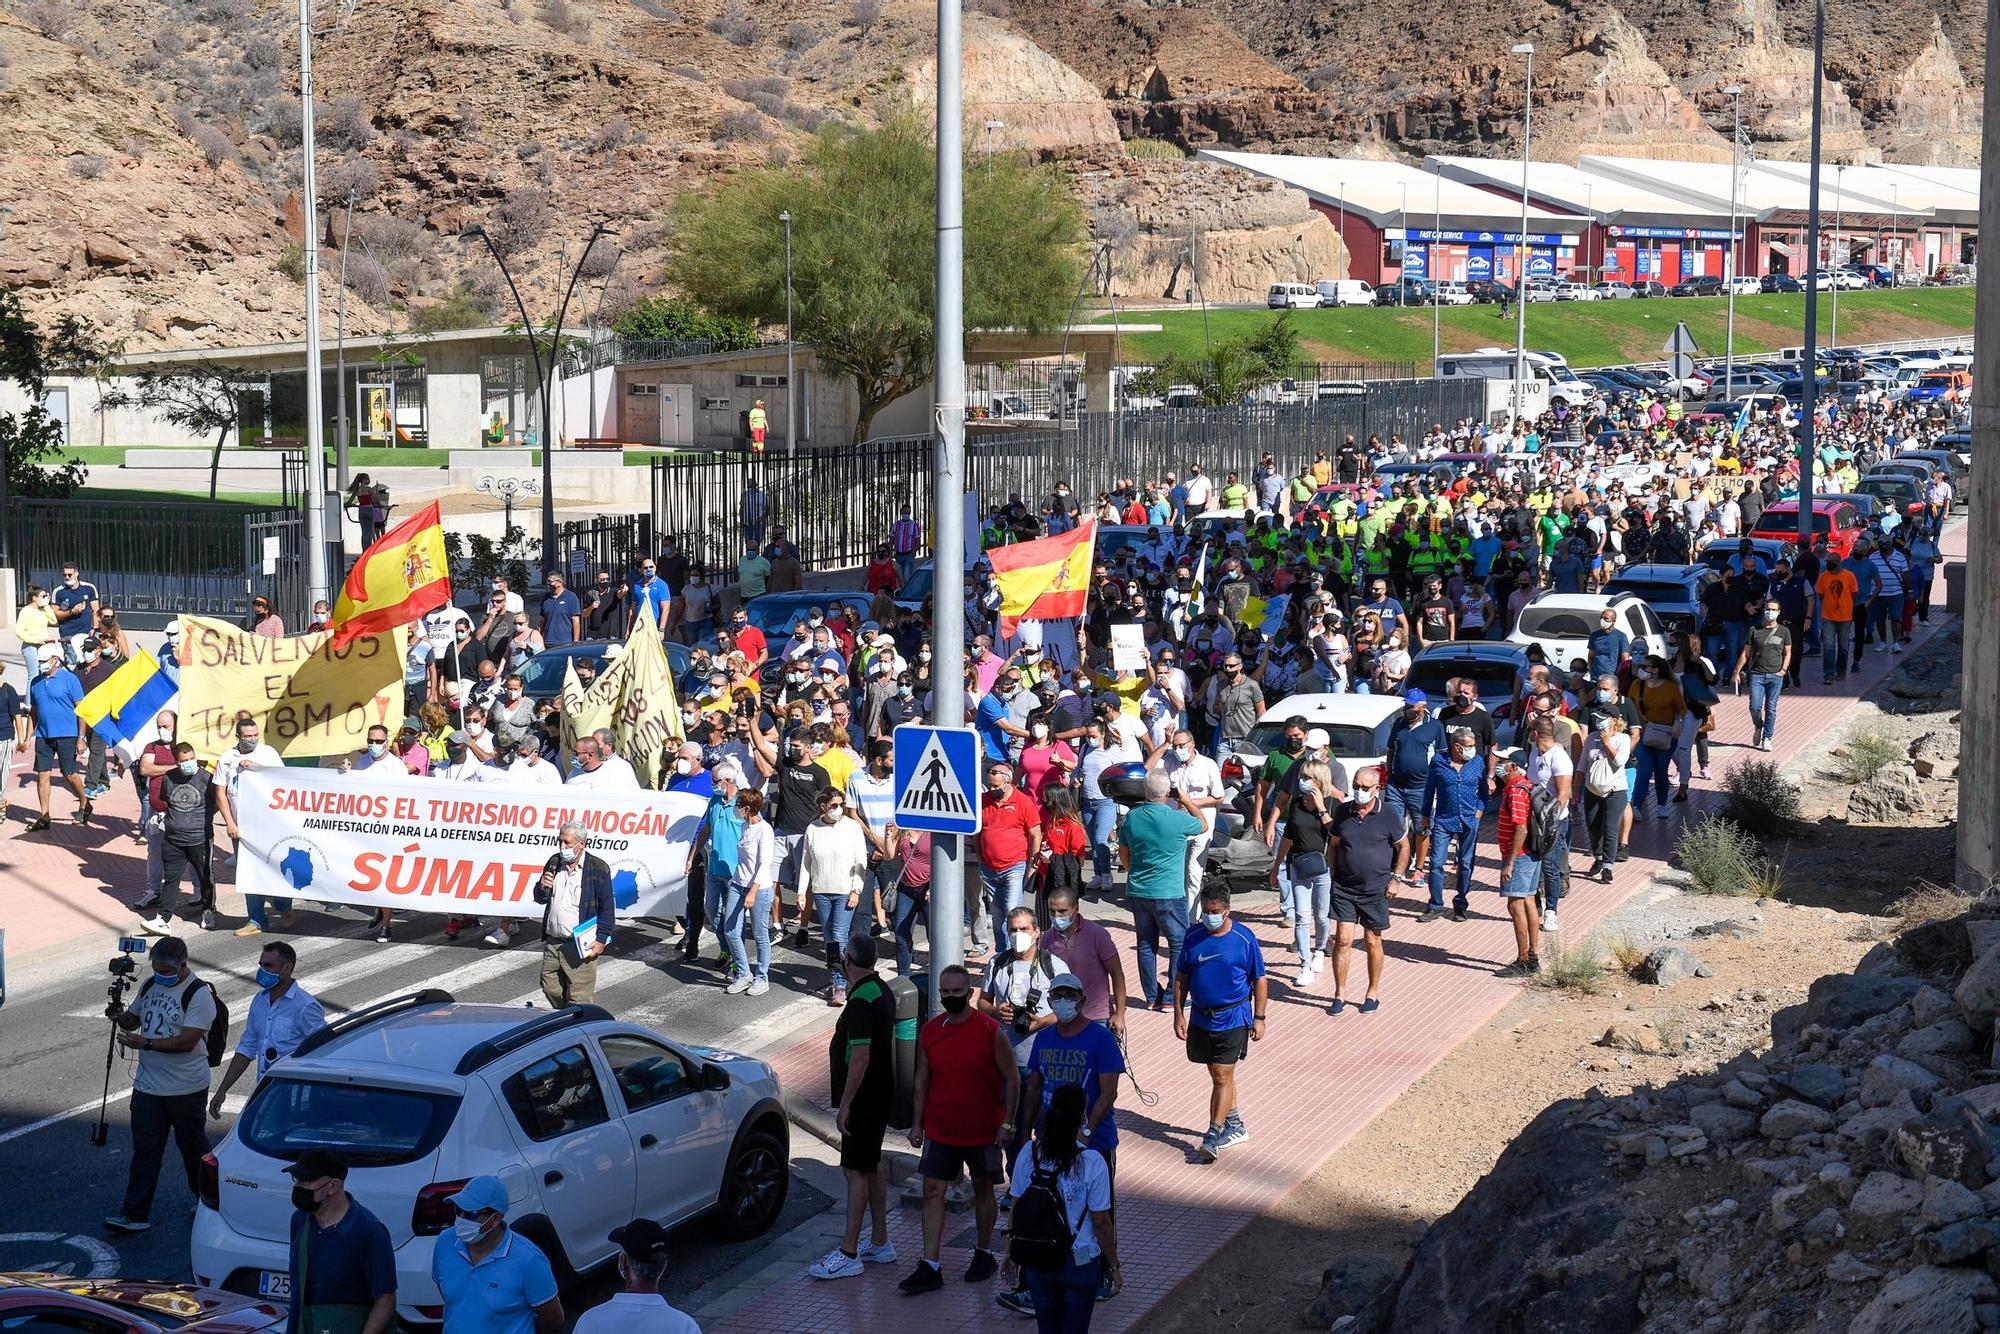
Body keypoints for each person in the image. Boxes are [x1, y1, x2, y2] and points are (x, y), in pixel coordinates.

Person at [1006, 970, 1124, 1317]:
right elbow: (1034, 1086)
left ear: (1082, 1001)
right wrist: (1024, 1129)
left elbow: (1108, 1092)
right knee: (1039, 1206)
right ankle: (1034, 1277)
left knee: (1098, 1210)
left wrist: (1086, 1134)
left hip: (1093, 1142)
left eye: (1069, 996)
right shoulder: (1044, 1039)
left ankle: (1100, 1272)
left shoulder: (1100, 1040)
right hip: (1047, 1142)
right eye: (1056, 995)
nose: (1062, 1002)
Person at [902, 962, 1021, 1295]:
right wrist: (917, 1123)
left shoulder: (989, 1030)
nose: (951, 997)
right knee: (931, 1191)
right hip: (941, 1129)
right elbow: (922, 1079)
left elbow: (1012, 1077)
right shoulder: (931, 1030)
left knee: (984, 1191)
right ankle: (931, 1263)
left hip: (982, 1130)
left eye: (957, 992)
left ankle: (983, 1253)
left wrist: (1008, 1122)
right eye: (946, 992)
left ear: (969, 993)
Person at [104, 935, 215, 1234]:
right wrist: (119, 1015)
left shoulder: (198, 994)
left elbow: (187, 1041)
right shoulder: (150, 985)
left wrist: (147, 1044)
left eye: (167, 970)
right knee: (145, 1150)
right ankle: (135, 1213)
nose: (161, 975)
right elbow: (133, 1020)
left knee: (192, 1147)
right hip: (148, 1088)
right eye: (157, 968)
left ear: (183, 965)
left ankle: (207, 1200)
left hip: (186, 1088)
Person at [808, 936, 900, 1282]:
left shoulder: (861, 1000)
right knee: (871, 1164)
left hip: (864, 1098)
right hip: (877, 1094)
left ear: (847, 960)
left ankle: (849, 1252)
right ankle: (880, 1241)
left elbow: (859, 1058)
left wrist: (845, 1105)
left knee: (854, 1171)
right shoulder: (878, 989)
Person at [1004, 1083, 1121, 1331]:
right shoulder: (1092, 1161)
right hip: (1078, 1263)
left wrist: (1010, 1254)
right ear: (1082, 1119)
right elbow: (1101, 1222)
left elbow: (1016, 1208)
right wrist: (1113, 1266)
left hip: (1037, 1259)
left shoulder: (1029, 1153)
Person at [1175, 886, 1267, 1163]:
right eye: (1206, 911)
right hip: (1201, 1017)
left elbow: (1260, 979)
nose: (1210, 917)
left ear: (1228, 909)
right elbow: (1182, 977)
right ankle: (1235, 1125)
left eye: (1215, 912)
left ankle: (1213, 1136)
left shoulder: (1244, 939)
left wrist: (1259, 1017)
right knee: (1216, 1072)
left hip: (1234, 1017)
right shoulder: (1193, 936)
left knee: (1222, 1076)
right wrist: (1178, 1014)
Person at [280, 1149, 398, 1334]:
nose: (299, 1187)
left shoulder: (369, 1232)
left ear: (333, 1186)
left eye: (307, 1181)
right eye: (296, 1180)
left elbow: (386, 1300)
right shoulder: (300, 1221)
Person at [208, 939, 325, 1121]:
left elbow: (322, 1050)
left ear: (287, 968)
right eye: (261, 965)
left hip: (295, 1099)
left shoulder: (305, 1006)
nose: (262, 970)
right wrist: (223, 1089)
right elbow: (247, 1047)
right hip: (265, 1092)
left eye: (268, 965)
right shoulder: (259, 1001)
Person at [430, 1175, 564, 1333]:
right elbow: (450, 1296)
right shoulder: (445, 1243)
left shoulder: (529, 1260)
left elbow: (553, 1319)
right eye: (458, 1210)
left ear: (496, 1218)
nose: (461, 1219)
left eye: (471, 1214)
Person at [981, 905, 1060, 1173]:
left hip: (1043, 1063)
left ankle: (1046, 1181)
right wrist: (995, 1011)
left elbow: (1070, 1010)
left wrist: (1041, 1022)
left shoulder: (1054, 966)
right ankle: (1016, 1183)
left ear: (1037, 932)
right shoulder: (998, 963)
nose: (1018, 935)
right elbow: (982, 1002)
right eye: (1013, 929)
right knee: (1010, 1127)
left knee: (1045, 1127)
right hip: (1006, 1063)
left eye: (1024, 929)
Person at [1118, 770, 1202, 1008]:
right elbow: (1203, 825)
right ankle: (1171, 997)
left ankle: (1151, 996)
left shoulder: (1132, 818)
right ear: (1167, 792)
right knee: (1178, 943)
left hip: (1138, 890)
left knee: (1146, 944)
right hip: (1169, 892)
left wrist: (1132, 870)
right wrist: (1186, 800)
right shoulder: (1177, 818)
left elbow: (1124, 851)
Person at [1326, 767, 1406, 1013]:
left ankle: (1372, 992)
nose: (1359, 791)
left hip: (1375, 889)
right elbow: (1334, 843)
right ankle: (1339, 994)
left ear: (1376, 789)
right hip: (1344, 887)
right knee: (1343, 939)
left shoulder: (1389, 814)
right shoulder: (1342, 812)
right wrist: (1332, 872)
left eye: (1364, 787)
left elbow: (1403, 847)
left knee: (1372, 939)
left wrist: (1396, 879)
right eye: (1356, 786)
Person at [219, 716, 290, 936]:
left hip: (269, 826)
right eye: (247, 736)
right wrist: (230, 822)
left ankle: (284, 906)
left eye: (255, 735)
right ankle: (257, 920)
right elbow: (220, 794)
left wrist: (258, 768)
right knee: (249, 874)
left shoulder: (268, 754)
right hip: (241, 829)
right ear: (238, 737)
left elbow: (284, 780)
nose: (252, 739)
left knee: (275, 868)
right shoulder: (227, 758)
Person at [534, 821, 616, 1008]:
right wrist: (541, 887)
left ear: (582, 843)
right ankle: (567, 1018)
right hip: (554, 942)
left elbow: (607, 907)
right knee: (549, 987)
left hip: (579, 944)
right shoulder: (554, 862)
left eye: (568, 843)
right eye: (560, 841)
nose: (562, 847)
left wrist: (601, 939)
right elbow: (540, 898)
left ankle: (578, 1026)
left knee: (579, 998)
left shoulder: (598, 868)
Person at [140, 742, 219, 934]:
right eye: (184, 761)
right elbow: (167, 799)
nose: (189, 763)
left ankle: (208, 911)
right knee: (171, 880)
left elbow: (216, 803)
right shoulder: (169, 777)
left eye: (192, 759)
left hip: (199, 839)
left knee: (205, 877)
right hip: (174, 840)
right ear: (177, 762)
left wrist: (202, 821)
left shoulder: (206, 778)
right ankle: (163, 918)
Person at [799, 789, 870, 1005]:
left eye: (840, 804)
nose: (837, 808)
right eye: (833, 805)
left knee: (838, 935)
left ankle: (841, 983)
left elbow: (861, 861)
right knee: (830, 938)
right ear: (823, 806)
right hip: (822, 891)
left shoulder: (852, 827)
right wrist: (802, 891)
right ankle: (838, 977)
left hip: (844, 891)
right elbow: (806, 863)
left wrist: (856, 889)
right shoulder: (813, 828)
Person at [1270, 754, 1335, 984]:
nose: (1303, 781)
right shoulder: (1296, 803)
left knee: (1321, 915)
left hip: (1323, 868)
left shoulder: (1331, 803)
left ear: (1319, 780)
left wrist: (1320, 808)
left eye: (1308, 777)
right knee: (1301, 917)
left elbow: (1335, 834)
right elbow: (1288, 836)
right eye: (1302, 776)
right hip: (1298, 865)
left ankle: (1319, 950)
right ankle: (1305, 964)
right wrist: (1276, 866)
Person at [1039, 888, 1127, 1035]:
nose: (1056, 916)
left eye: (1062, 911)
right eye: (1052, 911)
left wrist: (1119, 1014)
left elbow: (1117, 974)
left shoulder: (1097, 935)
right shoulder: (1047, 938)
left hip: (1096, 1017)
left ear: (1076, 909)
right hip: (1062, 1017)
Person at [977, 761, 1042, 960]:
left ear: (1008, 782)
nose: (991, 789)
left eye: (996, 786)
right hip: (988, 868)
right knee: (997, 915)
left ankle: (1018, 953)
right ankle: (1001, 953)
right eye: (990, 785)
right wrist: (980, 856)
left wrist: (1033, 862)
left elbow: (1035, 834)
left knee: (1012, 911)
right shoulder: (982, 800)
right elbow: (976, 832)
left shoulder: (1023, 802)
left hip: (1014, 866)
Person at [1420, 728, 1487, 922]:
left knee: (1465, 864)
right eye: (1469, 746)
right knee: (1436, 863)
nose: (1472, 749)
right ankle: (1435, 905)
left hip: (1469, 819)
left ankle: (1460, 903)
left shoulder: (1477, 763)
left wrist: (1479, 811)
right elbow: (1429, 789)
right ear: (1457, 747)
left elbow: (1483, 791)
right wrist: (1425, 814)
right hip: (1443, 819)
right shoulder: (1439, 762)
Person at [1493, 748, 1544, 976]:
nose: (1499, 764)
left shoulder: (1516, 792)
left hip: (1520, 856)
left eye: (1503, 761)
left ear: (1513, 766)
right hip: (1531, 855)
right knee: (1529, 902)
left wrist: (1510, 863)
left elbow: (1521, 829)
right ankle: (1532, 958)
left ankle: (1524, 959)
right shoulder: (1524, 786)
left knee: (1515, 905)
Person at [27, 651, 88, 829]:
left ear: (55, 659)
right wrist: (27, 737)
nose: (41, 664)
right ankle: (44, 815)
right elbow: (34, 711)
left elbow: (81, 710)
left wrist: (81, 737)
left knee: (69, 774)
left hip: (67, 734)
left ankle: (84, 802)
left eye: (44, 660)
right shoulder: (36, 682)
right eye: (39, 661)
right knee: (42, 775)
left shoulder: (70, 679)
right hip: (43, 735)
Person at [723, 789, 775, 996]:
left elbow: (764, 864)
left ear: (747, 809)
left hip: (759, 888)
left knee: (760, 934)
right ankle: (744, 973)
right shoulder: (744, 827)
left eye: (739, 806)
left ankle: (762, 977)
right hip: (738, 884)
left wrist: (752, 892)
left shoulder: (765, 830)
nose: (736, 810)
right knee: (731, 930)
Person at [1734, 597, 1792, 752]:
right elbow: (1746, 653)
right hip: (1757, 675)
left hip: (1775, 675)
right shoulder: (1754, 629)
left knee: (1771, 708)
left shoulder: (1784, 631)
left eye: (1773, 610)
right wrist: (1737, 672)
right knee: (1755, 707)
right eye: (1768, 609)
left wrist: (1783, 671)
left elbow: (1788, 652)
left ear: (1778, 612)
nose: (1770, 612)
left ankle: (1767, 737)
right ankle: (1758, 725)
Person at [1579, 712, 1631, 884]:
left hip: (1615, 790)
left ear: (1614, 720)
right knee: (1593, 826)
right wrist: (1575, 789)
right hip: (1592, 789)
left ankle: (1608, 867)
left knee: (1610, 829)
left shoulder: (1623, 739)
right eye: (1596, 719)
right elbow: (1582, 764)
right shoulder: (1591, 738)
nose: (1598, 722)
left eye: (1603, 719)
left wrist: (1607, 742)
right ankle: (1599, 857)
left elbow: (1619, 761)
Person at [1815, 555, 1858, 684]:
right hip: (1828, 616)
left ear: (1839, 563)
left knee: (1844, 646)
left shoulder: (1849, 576)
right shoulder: (1823, 576)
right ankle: (1828, 674)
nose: (1830, 564)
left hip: (1845, 616)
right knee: (1828, 646)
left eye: (1833, 562)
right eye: (1829, 562)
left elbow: (1854, 593)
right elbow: (1821, 594)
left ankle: (1841, 671)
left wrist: (1846, 605)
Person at [540, 573, 581, 648]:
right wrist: (538, 638)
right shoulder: (546, 598)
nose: (548, 584)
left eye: (551, 581)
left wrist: (575, 641)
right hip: (547, 642)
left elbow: (576, 621)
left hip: (565, 643)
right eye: (548, 581)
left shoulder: (571, 597)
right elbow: (542, 621)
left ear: (560, 582)